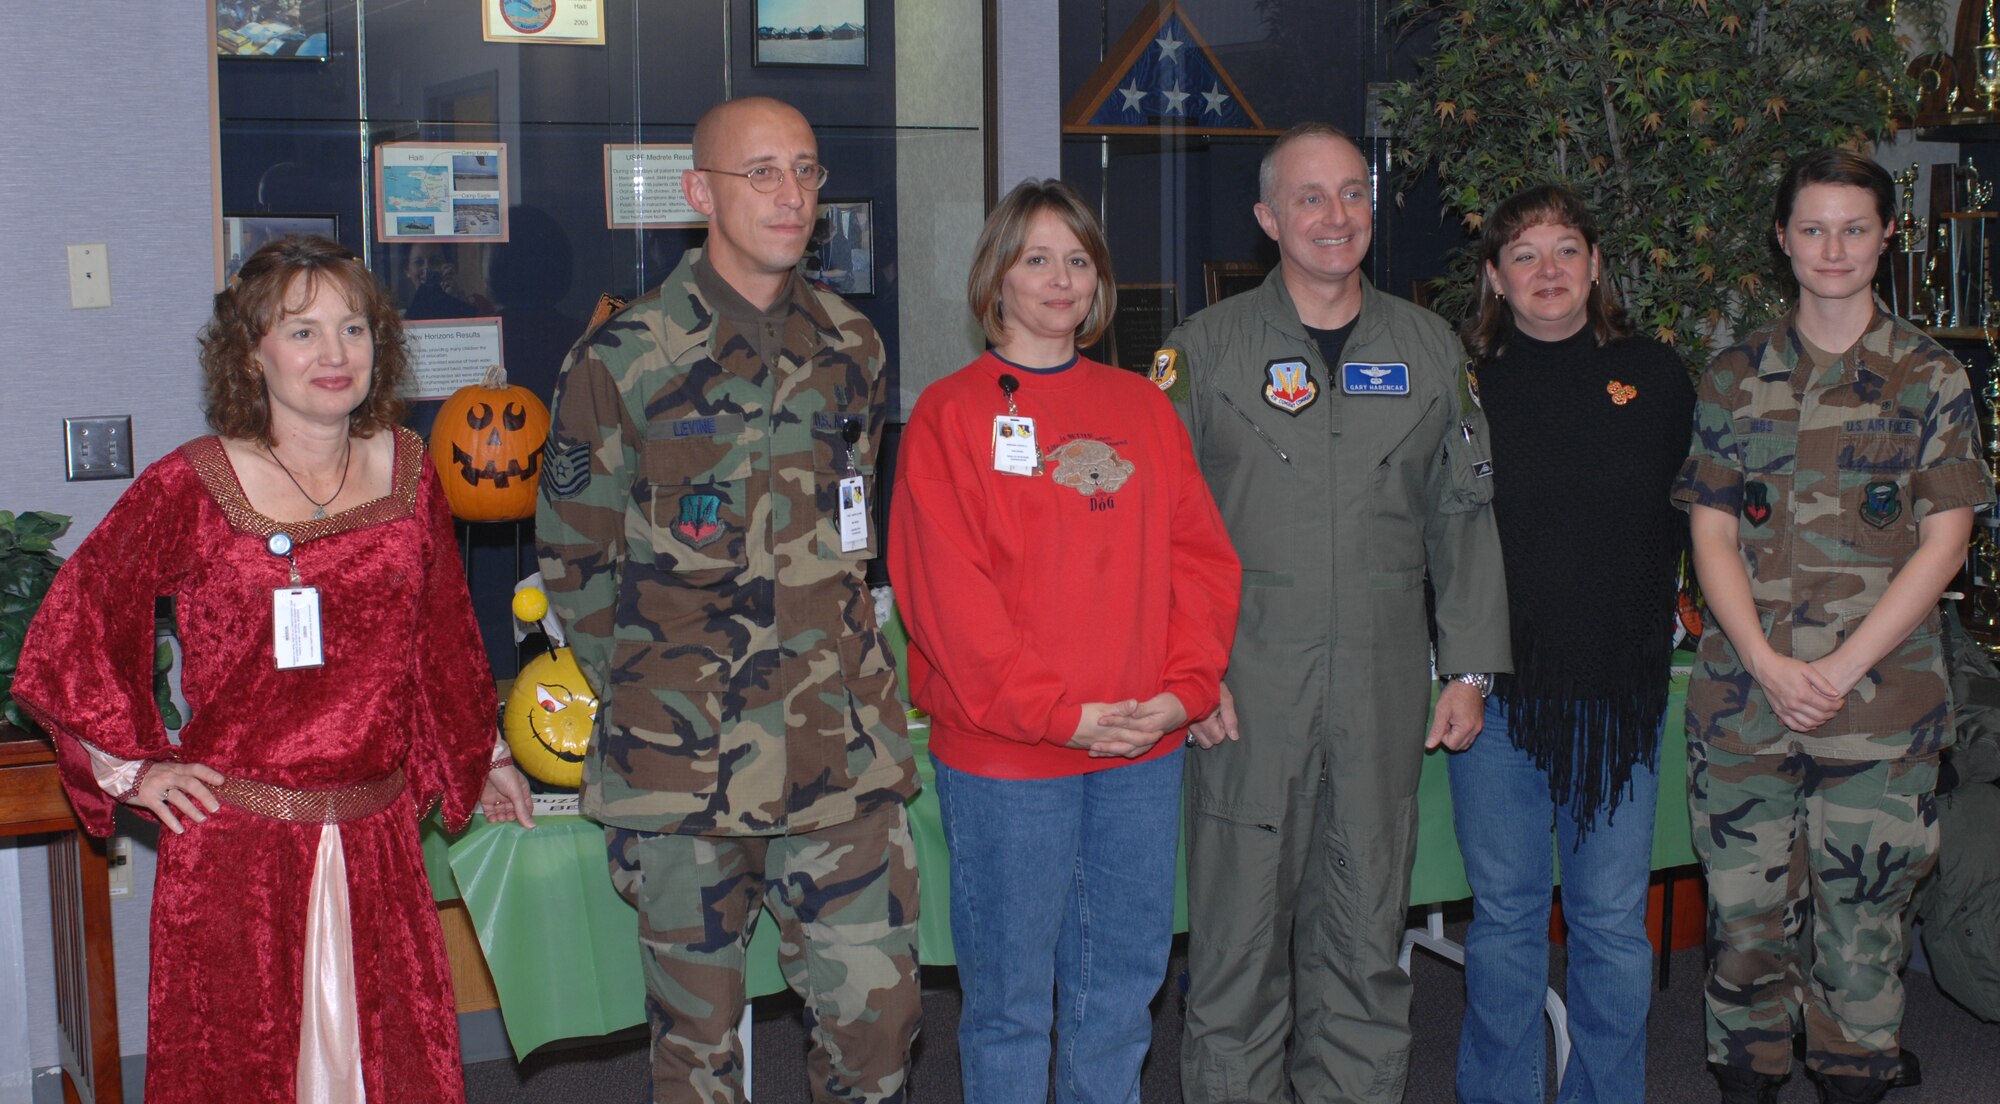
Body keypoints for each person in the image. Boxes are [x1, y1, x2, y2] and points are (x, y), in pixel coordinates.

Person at [11, 234, 535, 1104]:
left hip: (376, 840)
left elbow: (443, 641)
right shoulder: (193, 483)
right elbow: (75, 625)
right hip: (236, 858)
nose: (334, 355)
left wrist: (486, 761)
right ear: (250, 353)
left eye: (354, 329)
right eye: (302, 332)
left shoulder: (411, 470)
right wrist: (136, 766)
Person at [535, 96, 919, 1104]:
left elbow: (848, 534)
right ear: (699, 192)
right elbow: (573, 562)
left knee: (877, 1034)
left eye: (805, 171)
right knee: (696, 1057)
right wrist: (656, 693)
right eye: (761, 173)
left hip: (839, 757)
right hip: (685, 770)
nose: (789, 195)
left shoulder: (852, 348)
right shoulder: (620, 361)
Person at [1156, 121, 1511, 1103]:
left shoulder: (1426, 346)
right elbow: (1157, 530)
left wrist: (1471, 669)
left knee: (1362, 943)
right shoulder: (1203, 352)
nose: (1333, 215)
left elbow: (1463, 516)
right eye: (1308, 197)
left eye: (1350, 193)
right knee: (1236, 949)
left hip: (1382, 682)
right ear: (1269, 217)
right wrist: (1189, 670)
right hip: (1244, 687)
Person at [889, 179, 1241, 1103]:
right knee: (1010, 1005)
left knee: (1122, 993)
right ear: (995, 279)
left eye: (1078, 260)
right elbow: (946, 601)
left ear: (1100, 284)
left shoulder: (1143, 409)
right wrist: (1060, 716)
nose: (1059, 279)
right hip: (1010, 758)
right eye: (1036, 258)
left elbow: (1201, 563)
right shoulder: (950, 416)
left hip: (1141, 747)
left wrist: (1183, 692)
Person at [1674, 148, 1991, 1104]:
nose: (1834, 247)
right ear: (1783, 240)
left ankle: (1855, 1075)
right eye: (1812, 227)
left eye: (1855, 227)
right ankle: (1751, 1080)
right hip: (1745, 702)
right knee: (1744, 926)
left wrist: (1841, 665)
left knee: (1864, 928)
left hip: (1881, 707)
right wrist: (1771, 666)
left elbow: (1945, 545)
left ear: (1886, 235)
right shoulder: (1734, 375)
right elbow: (1711, 534)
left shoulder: (1930, 376)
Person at [1447, 184, 1693, 1104]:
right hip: (1500, 698)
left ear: (1595, 265)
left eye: (1565, 250)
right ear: (1495, 279)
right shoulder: (1465, 383)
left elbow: (1696, 523)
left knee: (1609, 926)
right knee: (1506, 923)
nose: (1547, 270)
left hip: (1618, 703)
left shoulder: (1659, 375)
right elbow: (1445, 534)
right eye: (1525, 255)